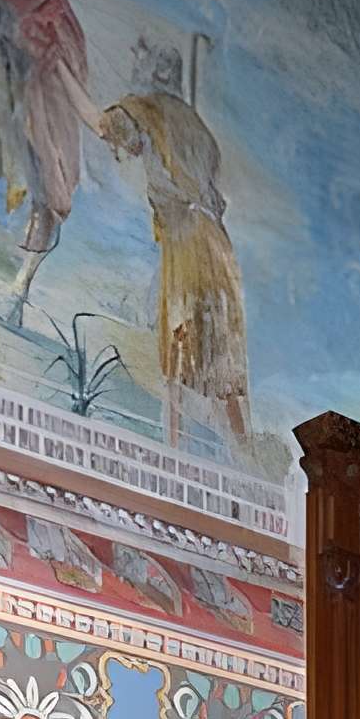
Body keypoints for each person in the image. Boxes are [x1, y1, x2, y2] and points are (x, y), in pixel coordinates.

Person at [99, 44, 251, 449]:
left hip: (187, 243)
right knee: (220, 359)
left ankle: (174, 446)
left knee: (179, 345)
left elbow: (108, 128)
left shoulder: (144, 109)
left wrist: (64, 76)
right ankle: (239, 449)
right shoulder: (195, 127)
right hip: (217, 247)